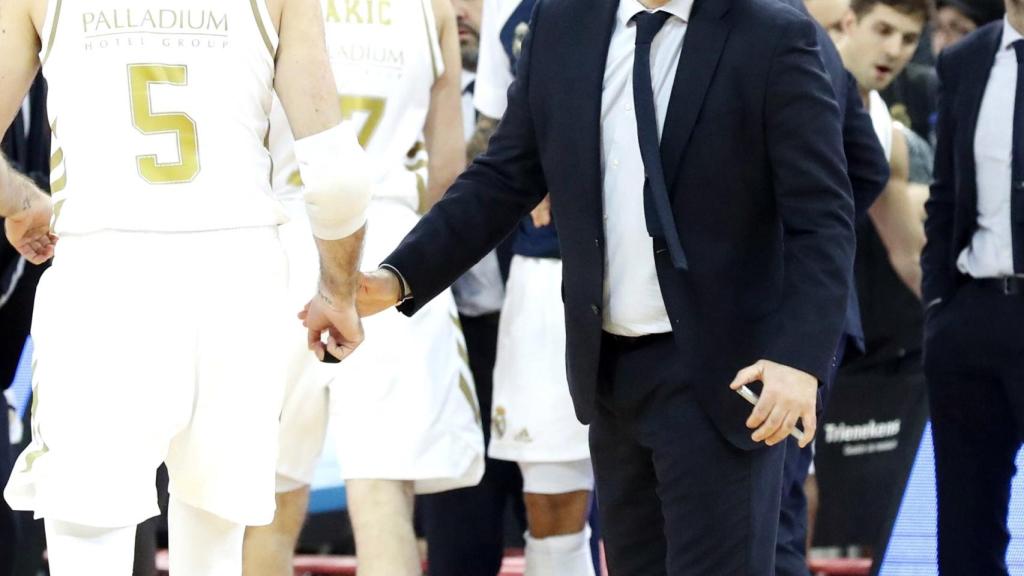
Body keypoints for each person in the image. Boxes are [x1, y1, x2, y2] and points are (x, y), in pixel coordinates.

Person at [357, 0, 857, 571]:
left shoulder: (773, 33)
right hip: (611, 370)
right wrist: (398, 278)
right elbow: (503, 178)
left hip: (727, 374)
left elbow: (822, 217)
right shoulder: (563, 23)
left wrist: (800, 359)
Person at [0, 0, 373, 573]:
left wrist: (20, 199)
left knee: (88, 540)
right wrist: (338, 291)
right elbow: (337, 174)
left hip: (104, 270)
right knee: (214, 544)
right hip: (240, 274)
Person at [244, 1, 485, 575]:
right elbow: (448, 171)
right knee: (383, 493)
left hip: (285, 237)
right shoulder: (433, 9)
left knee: (267, 496)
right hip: (394, 253)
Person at [770, 1, 890, 573]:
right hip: (818, 311)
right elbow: (869, 168)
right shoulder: (809, 34)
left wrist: (802, 235)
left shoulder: (770, 28)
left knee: (767, 504)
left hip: (773, 315)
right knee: (783, 495)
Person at [417, 0, 530, 573]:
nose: (459, 10)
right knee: (456, 539)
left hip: (541, 327)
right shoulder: (410, 100)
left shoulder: (537, 89)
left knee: (557, 515)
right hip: (453, 338)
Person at [922, 1, 1024, 572]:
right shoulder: (963, 60)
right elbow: (944, 196)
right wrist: (939, 306)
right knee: (965, 537)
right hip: (971, 316)